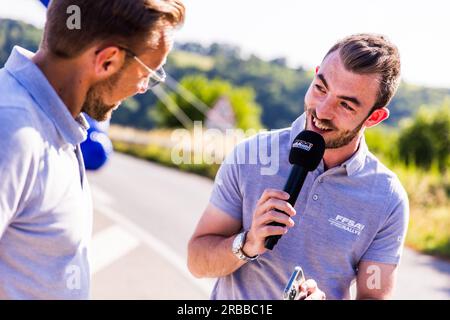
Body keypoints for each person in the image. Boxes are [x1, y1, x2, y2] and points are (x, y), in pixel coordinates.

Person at [188, 34, 409, 300]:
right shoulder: (250, 155)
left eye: (346, 104)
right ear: (315, 75)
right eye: (320, 88)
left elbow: (374, 296)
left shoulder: (387, 198)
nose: (322, 111)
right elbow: (197, 261)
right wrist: (247, 243)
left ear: (374, 117)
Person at [0, 0, 185, 299]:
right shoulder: (11, 129)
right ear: (107, 60)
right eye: (149, 73)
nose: (142, 87)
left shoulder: (56, 123)